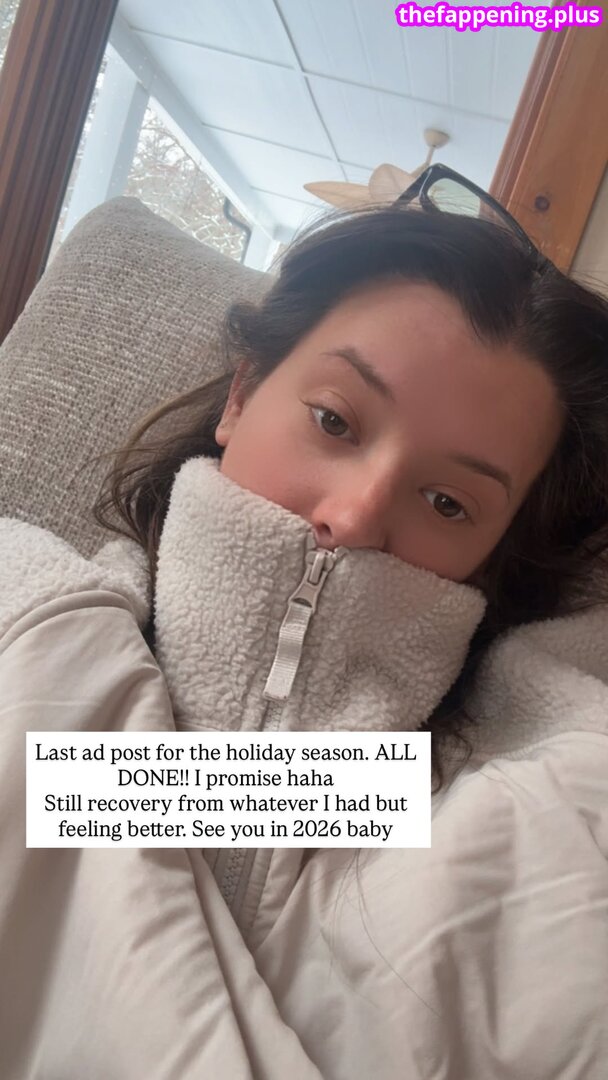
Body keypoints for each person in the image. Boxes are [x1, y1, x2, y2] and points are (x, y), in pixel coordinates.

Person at [1, 168, 607, 1078]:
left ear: (496, 552)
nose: (357, 515)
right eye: (334, 420)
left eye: (448, 502)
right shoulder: (29, 608)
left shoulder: (528, 780)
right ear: (241, 395)